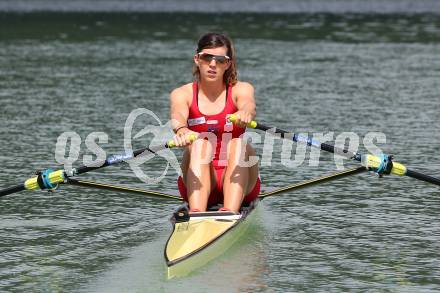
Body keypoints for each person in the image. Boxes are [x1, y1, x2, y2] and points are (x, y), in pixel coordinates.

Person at [170, 32, 260, 213]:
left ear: (228, 64)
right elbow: (178, 115)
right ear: (197, 59)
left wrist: (245, 113)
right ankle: (196, 214)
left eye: (220, 60)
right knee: (199, 145)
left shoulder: (241, 89)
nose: (212, 64)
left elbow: (248, 104)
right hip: (199, 176)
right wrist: (181, 129)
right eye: (207, 57)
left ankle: (230, 212)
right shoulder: (182, 93)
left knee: (238, 144)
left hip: (240, 178)